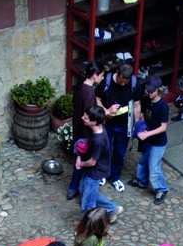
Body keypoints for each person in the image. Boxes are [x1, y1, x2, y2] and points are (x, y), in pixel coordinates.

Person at [96, 63, 143, 192]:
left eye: (125, 83)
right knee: (106, 150)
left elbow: (137, 105)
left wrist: (136, 124)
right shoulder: (107, 81)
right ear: (118, 73)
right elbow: (97, 98)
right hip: (108, 123)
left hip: (124, 124)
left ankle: (115, 177)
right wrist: (105, 111)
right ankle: (103, 174)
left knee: (120, 153)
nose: (122, 85)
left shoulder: (134, 84)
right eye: (120, 81)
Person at [75, 106, 123, 221]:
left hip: (94, 172)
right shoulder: (99, 127)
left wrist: (80, 163)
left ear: (94, 122)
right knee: (84, 190)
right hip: (92, 170)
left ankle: (86, 228)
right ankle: (112, 209)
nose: (82, 118)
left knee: (87, 205)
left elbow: (92, 162)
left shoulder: (98, 141)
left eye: (86, 118)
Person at [66, 62, 106, 201]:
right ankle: (76, 188)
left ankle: (74, 188)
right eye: (101, 76)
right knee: (82, 162)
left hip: (78, 130)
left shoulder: (81, 87)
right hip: (85, 134)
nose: (102, 79)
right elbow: (90, 117)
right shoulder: (89, 94)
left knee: (80, 160)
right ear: (94, 75)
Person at [128, 76, 170, 205]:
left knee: (154, 167)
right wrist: (140, 121)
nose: (149, 93)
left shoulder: (163, 107)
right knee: (143, 162)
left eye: (152, 91)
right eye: (148, 90)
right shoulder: (147, 100)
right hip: (149, 140)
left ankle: (161, 189)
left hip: (158, 142)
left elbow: (163, 127)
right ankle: (142, 181)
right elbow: (142, 111)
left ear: (159, 91)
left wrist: (147, 134)